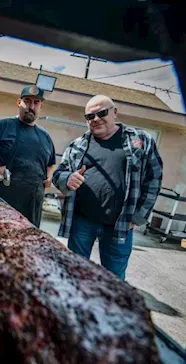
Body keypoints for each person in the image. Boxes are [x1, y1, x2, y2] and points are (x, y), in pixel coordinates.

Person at [52, 95, 163, 280]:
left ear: (115, 112)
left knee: (114, 279)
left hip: (120, 225)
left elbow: (154, 178)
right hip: (82, 222)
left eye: (101, 113)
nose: (95, 119)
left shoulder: (141, 140)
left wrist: (138, 216)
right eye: (90, 116)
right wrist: (67, 178)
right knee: (75, 274)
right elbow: (58, 174)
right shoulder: (78, 145)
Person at [0, 85, 56, 227]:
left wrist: (49, 176)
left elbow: (51, 163)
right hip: (2, 199)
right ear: (19, 102)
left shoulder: (45, 136)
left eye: (36, 103)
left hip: (32, 206)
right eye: (27, 101)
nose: (31, 106)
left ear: (41, 106)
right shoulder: (4, 125)